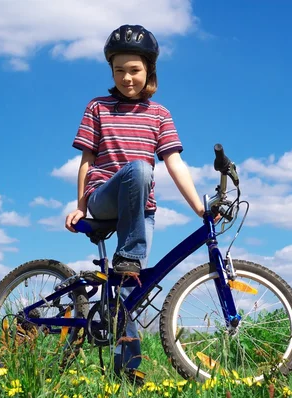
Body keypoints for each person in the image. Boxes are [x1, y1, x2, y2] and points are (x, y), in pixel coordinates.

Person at [64, 24, 205, 378]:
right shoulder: (98, 107)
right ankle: (129, 255)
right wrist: (80, 204)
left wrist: (201, 209)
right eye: (119, 70)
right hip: (104, 197)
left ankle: (127, 372)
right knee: (140, 169)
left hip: (141, 211)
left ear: (149, 71)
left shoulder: (160, 115)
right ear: (111, 71)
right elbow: (86, 159)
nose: (127, 78)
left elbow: (174, 163)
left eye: (135, 70)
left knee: (129, 291)